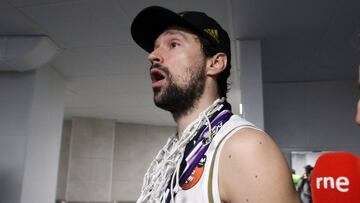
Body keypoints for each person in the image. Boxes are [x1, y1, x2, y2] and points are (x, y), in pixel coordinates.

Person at [131, 6, 300, 203]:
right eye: (155, 46)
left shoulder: (246, 149)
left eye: (173, 44)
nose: (152, 56)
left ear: (215, 63)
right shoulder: (174, 158)